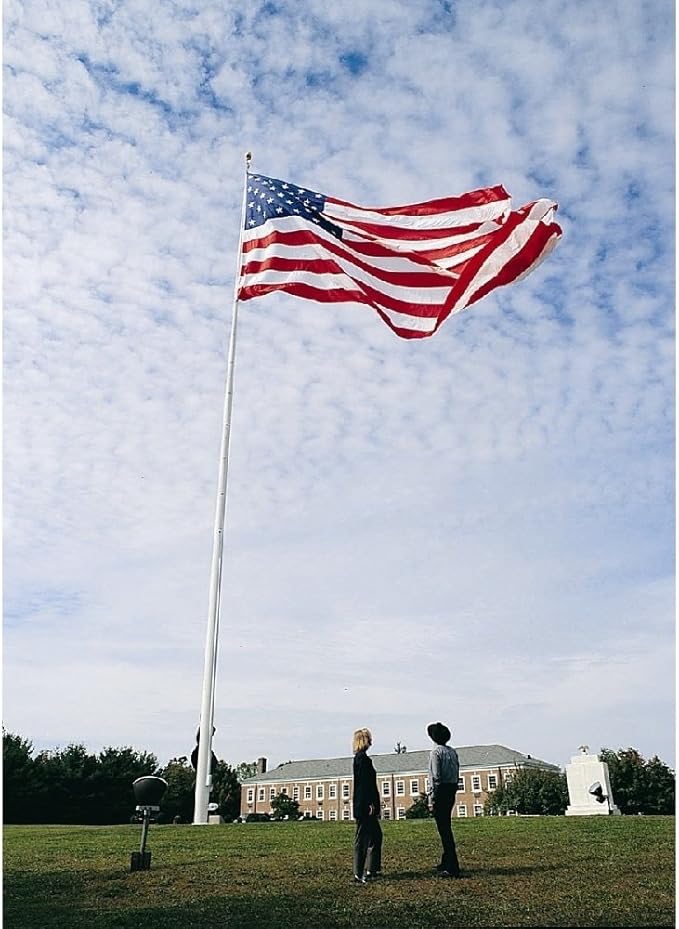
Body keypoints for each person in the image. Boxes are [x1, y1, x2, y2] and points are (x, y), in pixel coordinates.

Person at [427, 721, 461, 878]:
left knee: (444, 830)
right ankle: (446, 860)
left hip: (441, 791)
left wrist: (432, 798)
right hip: (451, 790)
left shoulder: (435, 753)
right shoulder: (452, 752)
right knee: (446, 825)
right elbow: (456, 771)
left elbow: (435, 777)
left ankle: (452, 866)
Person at [352, 727, 383, 884]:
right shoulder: (363, 760)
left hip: (365, 804)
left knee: (376, 836)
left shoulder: (361, 759)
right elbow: (365, 785)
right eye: (369, 739)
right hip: (365, 805)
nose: (371, 741)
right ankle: (359, 873)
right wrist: (369, 804)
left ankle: (372, 869)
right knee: (362, 839)